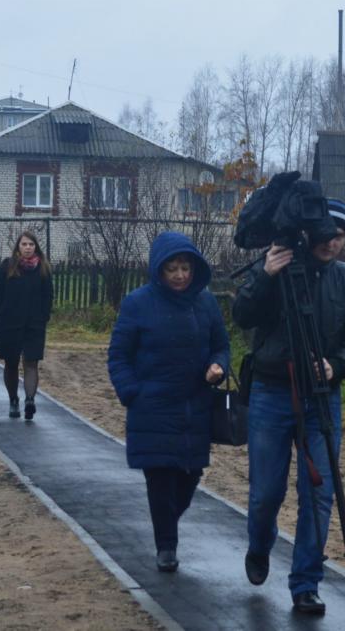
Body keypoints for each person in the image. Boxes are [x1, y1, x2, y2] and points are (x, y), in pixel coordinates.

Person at [232, 199, 345, 615]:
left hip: (321, 396)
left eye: (341, 236)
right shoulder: (276, 268)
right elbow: (241, 314)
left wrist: (336, 366)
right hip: (271, 391)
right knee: (265, 493)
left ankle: (305, 583)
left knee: (318, 492)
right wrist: (265, 275)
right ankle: (260, 544)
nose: (333, 243)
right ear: (311, 231)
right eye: (328, 233)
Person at [108, 232, 230, 573]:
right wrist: (131, 391)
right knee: (160, 478)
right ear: (158, 271)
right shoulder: (138, 303)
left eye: (185, 268)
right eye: (172, 269)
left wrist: (218, 366)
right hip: (153, 407)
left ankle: (165, 525)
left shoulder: (205, 303)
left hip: (195, 407)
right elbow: (119, 355)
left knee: (189, 477)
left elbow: (221, 343)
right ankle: (167, 546)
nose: (179, 275)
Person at [0, 231, 54, 421]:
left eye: (31, 245)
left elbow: (48, 295)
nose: (28, 248)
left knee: (31, 362)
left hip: (34, 324)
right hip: (9, 324)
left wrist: (44, 317)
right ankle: (13, 401)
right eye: (24, 244)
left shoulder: (43, 269)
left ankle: (29, 400)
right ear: (18, 247)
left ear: (36, 247)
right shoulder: (8, 267)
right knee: (11, 363)